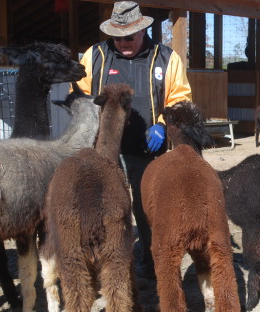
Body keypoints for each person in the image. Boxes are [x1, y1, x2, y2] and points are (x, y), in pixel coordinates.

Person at [77, 1, 192, 279]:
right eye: (117, 37)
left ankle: (151, 261)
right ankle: (107, 262)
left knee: (146, 207)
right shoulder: (95, 56)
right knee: (105, 207)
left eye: (129, 37)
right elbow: (80, 97)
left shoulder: (165, 57)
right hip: (104, 149)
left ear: (142, 31)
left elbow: (180, 98)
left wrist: (163, 125)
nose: (123, 42)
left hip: (147, 148)